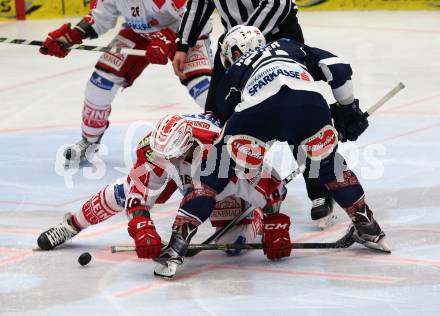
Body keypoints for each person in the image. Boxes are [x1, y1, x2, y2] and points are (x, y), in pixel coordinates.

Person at [159, 26, 390, 273]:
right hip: (309, 106)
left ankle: (174, 249)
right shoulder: (289, 45)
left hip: (255, 115)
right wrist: (347, 108)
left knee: (212, 177)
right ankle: (369, 228)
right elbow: (337, 66)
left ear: (232, 52)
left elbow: (222, 120)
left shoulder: (234, 70)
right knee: (330, 167)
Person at [37, 113, 286, 278]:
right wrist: (141, 225)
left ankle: (252, 218)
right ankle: (71, 225)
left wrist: (274, 222)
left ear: (188, 145)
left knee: (235, 245)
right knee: (121, 190)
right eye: (161, 154)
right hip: (188, 178)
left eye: (171, 155)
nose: (165, 160)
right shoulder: (155, 148)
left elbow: (271, 183)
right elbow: (138, 192)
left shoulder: (224, 148)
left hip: (220, 185)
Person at [172, 0, 334, 231]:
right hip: (232, 48)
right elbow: (198, 5)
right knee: (218, 114)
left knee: (295, 115)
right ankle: (229, 191)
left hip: (277, 39)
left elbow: (279, 3)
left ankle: (320, 189)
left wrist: (246, 39)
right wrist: (183, 44)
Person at [39, 0, 213, 163]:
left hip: (185, 37)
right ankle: (89, 141)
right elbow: (100, 16)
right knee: (100, 83)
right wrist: (71, 36)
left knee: (203, 90)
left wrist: (169, 37)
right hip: (141, 35)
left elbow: (197, 15)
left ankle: (232, 136)